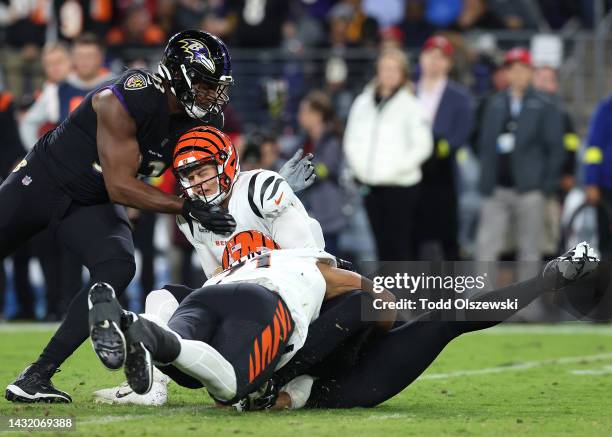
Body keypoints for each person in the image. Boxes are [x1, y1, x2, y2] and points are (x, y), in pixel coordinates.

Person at [3, 29, 239, 404]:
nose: (213, 95)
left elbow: (209, 178)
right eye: (206, 85)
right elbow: (120, 187)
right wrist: (184, 206)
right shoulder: (131, 96)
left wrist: (243, 193)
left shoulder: (197, 124)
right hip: (42, 182)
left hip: (90, 200)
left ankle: (36, 377)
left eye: (217, 87)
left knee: (116, 265)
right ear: (178, 75)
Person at [91, 125, 321, 405]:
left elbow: (305, 265)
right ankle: (153, 382)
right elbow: (217, 276)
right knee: (161, 296)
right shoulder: (191, 216)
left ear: (226, 164)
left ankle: (146, 334)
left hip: (278, 306)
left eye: (203, 172)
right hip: (233, 294)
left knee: (228, 389)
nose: (198, 183)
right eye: (190, 176)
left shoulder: (261, 190)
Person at [267, 242, 600, 409]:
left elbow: (380, 305)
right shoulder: (249, 302)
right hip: (337, 383)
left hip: (352, 345)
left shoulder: (299, 271)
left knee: (444, 317)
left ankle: (547, 281)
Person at [87, 230, 395, 406]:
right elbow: (383, 300)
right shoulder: (297, 258)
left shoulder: (226, 271)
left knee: (181, 356)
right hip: (264, 301)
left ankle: (139, 325)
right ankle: (150, 335)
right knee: (232, 387)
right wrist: (375, 336)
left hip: (204, 295)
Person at [475, 47, 564, 271]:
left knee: (530, 249)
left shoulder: (544, 105)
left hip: (529, 189)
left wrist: (546, 185)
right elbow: (483, 143)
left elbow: (555, 148)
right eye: (512, 69)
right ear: (507, 73)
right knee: (486, 246)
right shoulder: (494, 103)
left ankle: (528, 305)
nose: (517, 75)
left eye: (523, 69)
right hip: (496, 187)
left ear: (530, 72)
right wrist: (486, 176)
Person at [343, 47, 433, 261]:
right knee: (379, 246)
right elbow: (351, 139)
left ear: (403, 74)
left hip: (400, 186)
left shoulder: (411, 105)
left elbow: (423, 145)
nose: (389, 74)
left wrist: (396, 168)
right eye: (385, 68)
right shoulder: (362, 102)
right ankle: (385, 293)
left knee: (400, 246)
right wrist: (361, 168)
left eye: (394, 69)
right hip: (370, 186)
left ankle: (404, 294)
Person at [415, 35, 473, 260]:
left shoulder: (459, 97)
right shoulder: (408, 91)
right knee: (413, 236)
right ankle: (412, 292)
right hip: (410, 171)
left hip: (443, 172)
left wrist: (439, 148)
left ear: (449, 63)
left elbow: (461, 132)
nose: (434, 61)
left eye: (441, 57)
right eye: (430, 55)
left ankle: (451, 293)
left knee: (447, 237)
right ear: (421, 58)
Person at [295, 90, 346, 255]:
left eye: (304, 112)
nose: (300, 116)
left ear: (317, 115)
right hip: (311, 214)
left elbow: (325, 168)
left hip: (327, 216)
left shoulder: (332, 139)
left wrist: (303, 170)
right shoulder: (306, 139)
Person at [583, 94, 612, 257]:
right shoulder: (605, 109)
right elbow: (593, 149)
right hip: (607, 187)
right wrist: (592, 182)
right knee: (607, 244)